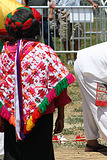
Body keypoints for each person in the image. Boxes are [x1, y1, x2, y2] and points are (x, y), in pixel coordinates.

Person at [0, 6, 75, 160]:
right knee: (41, 153)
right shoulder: (45, 52)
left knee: (13, 153)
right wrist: (61, 116)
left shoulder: (4, 54)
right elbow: (59, 84)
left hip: (12, 118)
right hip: (42, 115)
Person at [55, 0, 98, 65]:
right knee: (65, 36)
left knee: (77, 35)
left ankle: (76, 58)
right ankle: (68, 59)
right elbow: (54, 2)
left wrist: (92, 3)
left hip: (76, 12)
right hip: (63, 13)